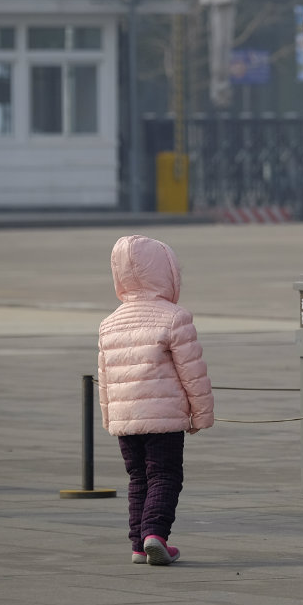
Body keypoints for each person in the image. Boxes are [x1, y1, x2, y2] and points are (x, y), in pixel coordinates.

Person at [98, 234, 214, 566]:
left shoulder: (109, 324)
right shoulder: (174, 317)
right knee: (164, 474)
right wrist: (201, 415)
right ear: (167, 273)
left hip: (125, 418)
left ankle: (138, 544)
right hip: (164, 417)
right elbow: (192, 372)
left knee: (138, 478)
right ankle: (155, 535)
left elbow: (104, 378)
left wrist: (109, 420)